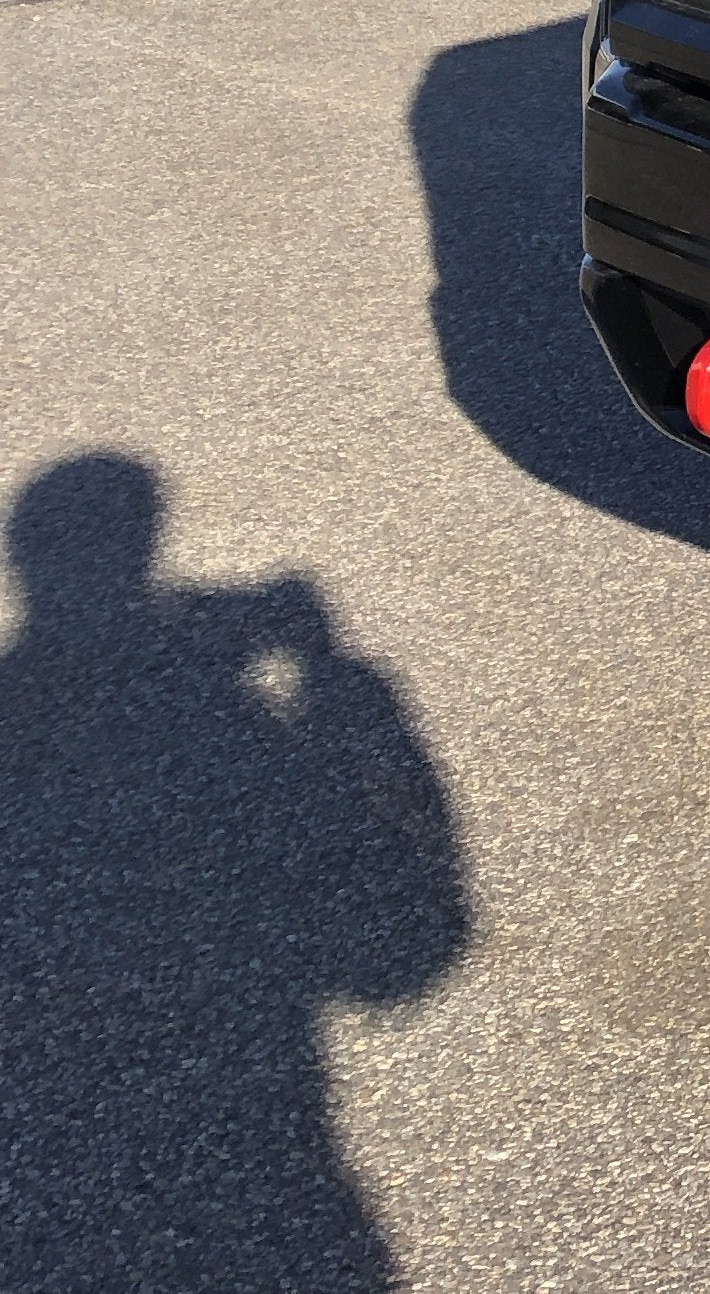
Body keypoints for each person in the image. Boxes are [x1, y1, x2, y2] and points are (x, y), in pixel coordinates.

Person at [0, 452, 471, 1292]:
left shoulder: (20, 694)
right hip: (287, 1180)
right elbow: (400, 967)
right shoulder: (239, 707)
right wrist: (342, 682)